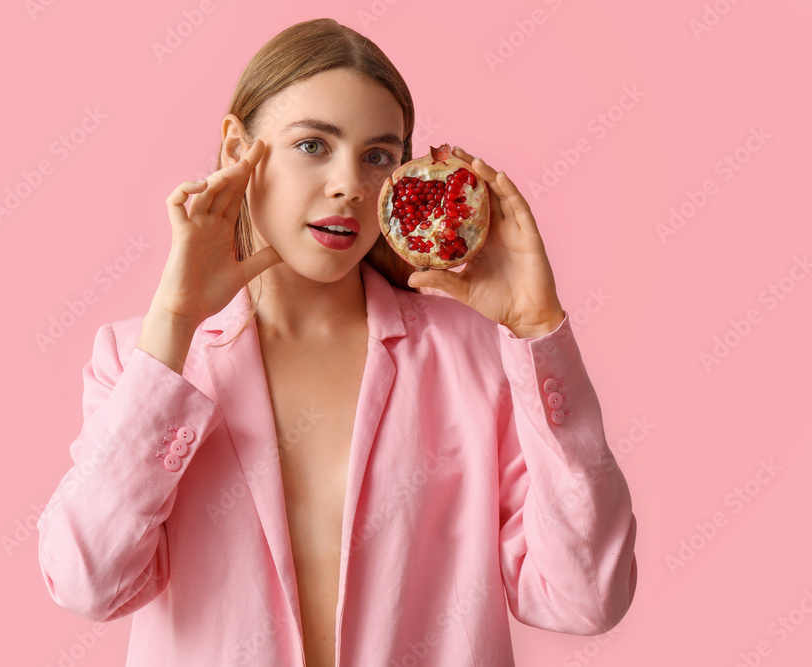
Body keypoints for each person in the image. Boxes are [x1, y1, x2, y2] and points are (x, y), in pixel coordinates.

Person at [37, 17, 637, 667]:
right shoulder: (139, 362)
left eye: (378, 155)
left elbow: (585, 597)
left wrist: (538, 328)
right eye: (313, 145)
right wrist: (175, 320)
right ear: (239, 147)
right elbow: (85, 582)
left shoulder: (477, 357)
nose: (349, 184)